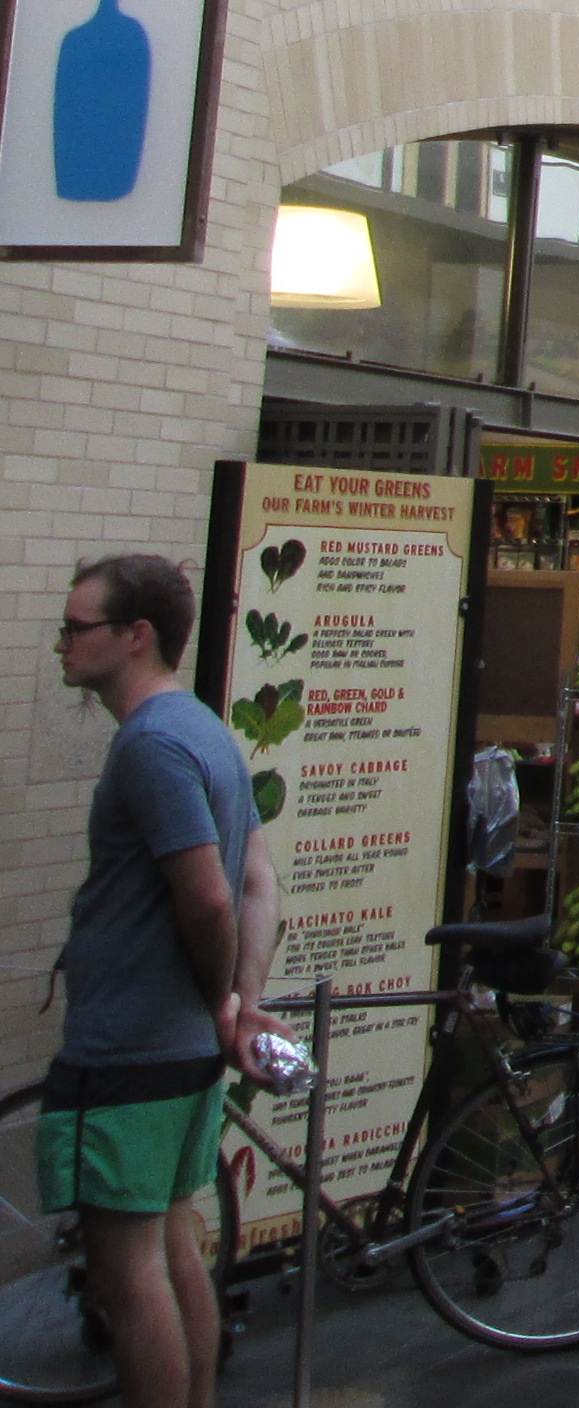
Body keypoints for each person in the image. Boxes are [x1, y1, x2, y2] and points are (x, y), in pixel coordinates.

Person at [51, 555, 280, 1408]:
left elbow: (212, 896)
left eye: (76, 628)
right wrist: (240, 1002)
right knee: (177, 1244)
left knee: (126, 1270)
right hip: (180, 1049)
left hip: (130, 1045)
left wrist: (221, 996)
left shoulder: (150, 745)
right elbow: (259, 881)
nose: (62, 645)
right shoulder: (206, 730)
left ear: (136, 635)